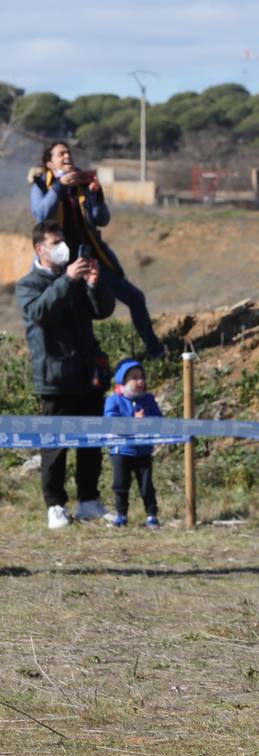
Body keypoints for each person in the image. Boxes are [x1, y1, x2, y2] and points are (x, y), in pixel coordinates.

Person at [17, 220, 115, 529]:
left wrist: (93, 284)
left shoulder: (74, 277)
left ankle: (89, 500)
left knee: (90, 440)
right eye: (55, 243)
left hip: (87, 374)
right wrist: (68, 280)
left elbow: (103, 310)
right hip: (55, 377)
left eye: (64, 242)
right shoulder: (29, 284)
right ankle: (55, 505)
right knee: (55, 444)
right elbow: (39, 312)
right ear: (40, 249)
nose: (63, 248)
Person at [29, 142, 162, 358]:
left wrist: (96, 195)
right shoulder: (42, 185)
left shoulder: (83, 182)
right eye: (61, 154)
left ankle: (155, 351)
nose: (67, 156)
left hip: (91, 257)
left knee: (135, 298)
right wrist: (59, 187)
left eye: (68, 153)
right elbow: (41, 215)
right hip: (60, 264)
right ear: (50, 163)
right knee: (69, 312)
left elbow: (102, 219)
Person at [103, 360, 162, 528]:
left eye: (142, 377)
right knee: (120, 485)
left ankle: (151, 514)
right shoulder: (113, 400)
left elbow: (159, 420)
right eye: (135, 377)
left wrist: (147, 420)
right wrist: (132, 421)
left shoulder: (148, 400)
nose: (140, 381)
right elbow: (111, 422)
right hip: (121, 449)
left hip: (143, 450)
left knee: (146, 485)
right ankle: (121, 515)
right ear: (123, 380)